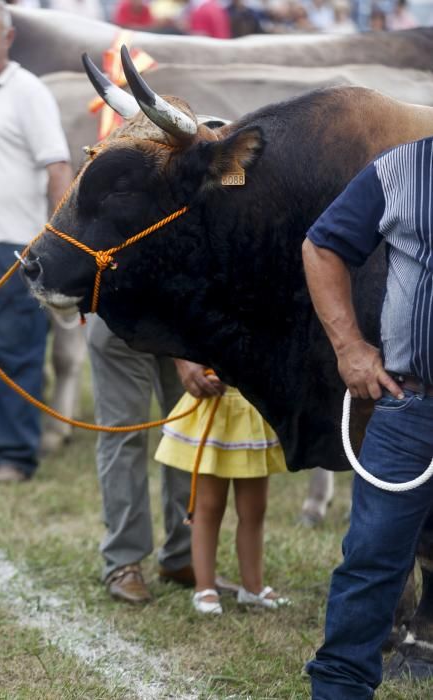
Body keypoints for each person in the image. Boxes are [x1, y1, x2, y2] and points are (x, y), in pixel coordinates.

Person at [302, 136, 433, 698]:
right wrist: (349, 346)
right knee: (371, 559)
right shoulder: (403, 167)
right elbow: (323, 245)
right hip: (412, 406)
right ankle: (339, 689)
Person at [0, 0, 73, 482]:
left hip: (11, 244)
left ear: (8, 39)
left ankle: (14, 454)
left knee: (14, 350)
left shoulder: (28, 91)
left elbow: (58, 167)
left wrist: (57, 241)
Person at [86, 318, 213, 603]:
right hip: (120, 309)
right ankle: (123, 562)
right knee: (124, 433)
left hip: (184, 317)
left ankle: (186, 556)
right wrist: (182, 355)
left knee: (191, 431)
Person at [155, 364, 288, 614]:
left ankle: (253, 587)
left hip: (253, 408)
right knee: (209, 506)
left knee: (254, 509)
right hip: (215, 406)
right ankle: (204, 587)